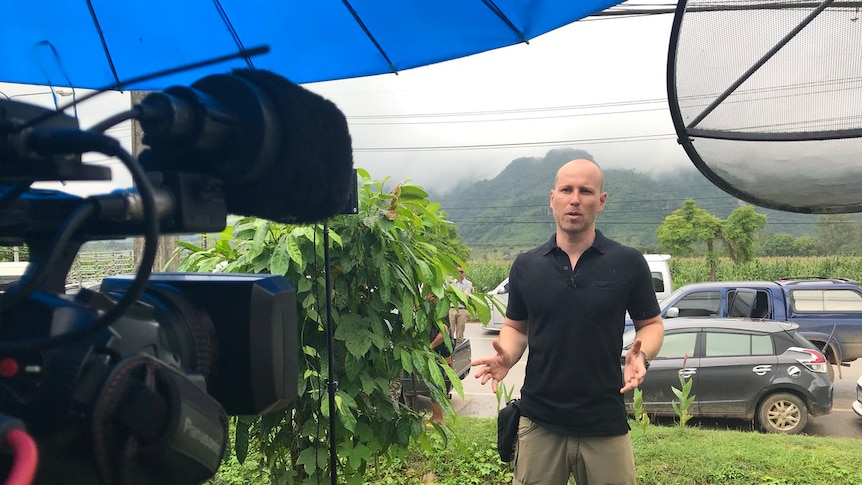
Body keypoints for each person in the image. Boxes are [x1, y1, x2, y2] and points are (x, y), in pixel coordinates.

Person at [471, 158, 664, 485]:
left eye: (586, 191)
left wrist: (641, 354)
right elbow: (516, 327)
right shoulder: (526, 266)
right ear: (552, 198)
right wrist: (507, 353)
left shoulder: (627, 262)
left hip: (605, 422)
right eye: (567, 190)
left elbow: (652, 324)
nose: (575, 199)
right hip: (539, 421)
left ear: (601, 201)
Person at [448, 265, 473, 342]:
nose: (459, 274)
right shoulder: (451, 281)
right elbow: (448, 294)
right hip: (452, 308)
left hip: (462, 309)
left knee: (460, 332)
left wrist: (455, 292)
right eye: (457, 272)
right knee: (450, 331)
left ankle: (459, 349)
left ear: (464, 273)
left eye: (461, 272)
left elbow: (465, 296)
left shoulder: (468, 283)